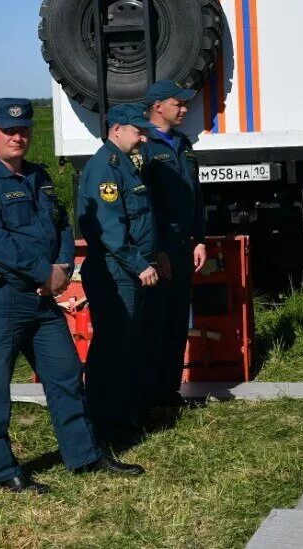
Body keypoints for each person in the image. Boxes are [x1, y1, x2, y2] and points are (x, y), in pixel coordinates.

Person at [0, 98, 141, 494]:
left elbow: (60, 226)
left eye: (22, 131)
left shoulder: (38, 178)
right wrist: (44, 272)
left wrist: (60, 267)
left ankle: (85, 454)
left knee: (66, 376)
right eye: (8, 131)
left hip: (40, 300)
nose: (16, 137)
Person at [77, 102, 163, 443]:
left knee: (126, 345)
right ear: (116, 130)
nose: (142, 137)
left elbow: (140, 218)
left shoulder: (125, 165)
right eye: (137, 131)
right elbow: (110, 228)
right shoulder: (105, 168)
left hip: (129, 268)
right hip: (115, 271)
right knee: (112, 347)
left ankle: (122, 412)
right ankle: (102, 420)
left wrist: (153, 256)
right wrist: (140, 264)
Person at [140, 80, 208, 412]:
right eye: (177, 104)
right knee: (157, 323)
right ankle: (150, 396)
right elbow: (145, 206)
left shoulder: (182, 143)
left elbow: (196, 196)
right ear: (157, 107)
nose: (184, 109)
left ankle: (169, 393)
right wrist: (156, 251)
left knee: (178, 321)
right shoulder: (144, 145)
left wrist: (199, 240)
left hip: (183, 246)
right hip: (160, 249)